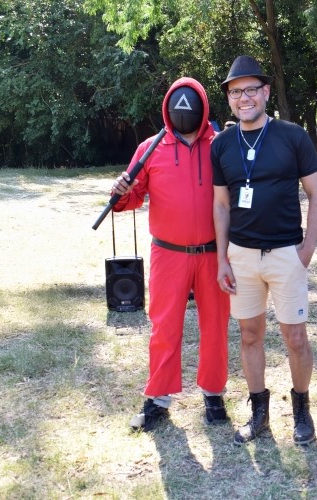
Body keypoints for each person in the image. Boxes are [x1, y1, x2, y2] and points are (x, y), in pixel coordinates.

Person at [211, 55, 317, 446]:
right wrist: (221, 258)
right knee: (249, 334)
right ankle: (259, 412)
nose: (244, 98)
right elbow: (222, 204)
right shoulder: (222, 144)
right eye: (236, 91)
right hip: (241, 256)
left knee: (295, 337)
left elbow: (316, 193)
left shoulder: (292, 136)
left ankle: (302, 410)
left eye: (251, 90)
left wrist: (306, 249)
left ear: (265, 92)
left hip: (285, 253)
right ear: (229, 98)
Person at [111, 77, 231, 433]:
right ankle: (158, 399)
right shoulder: (151, 148)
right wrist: (120, 192)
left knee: (216, 327)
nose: (185, 112)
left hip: (213, 253)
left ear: (203, 107)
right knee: (164, 326)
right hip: (168, 253)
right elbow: (130, 198)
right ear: (167, 109)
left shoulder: (220, 147)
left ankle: (213, 394)